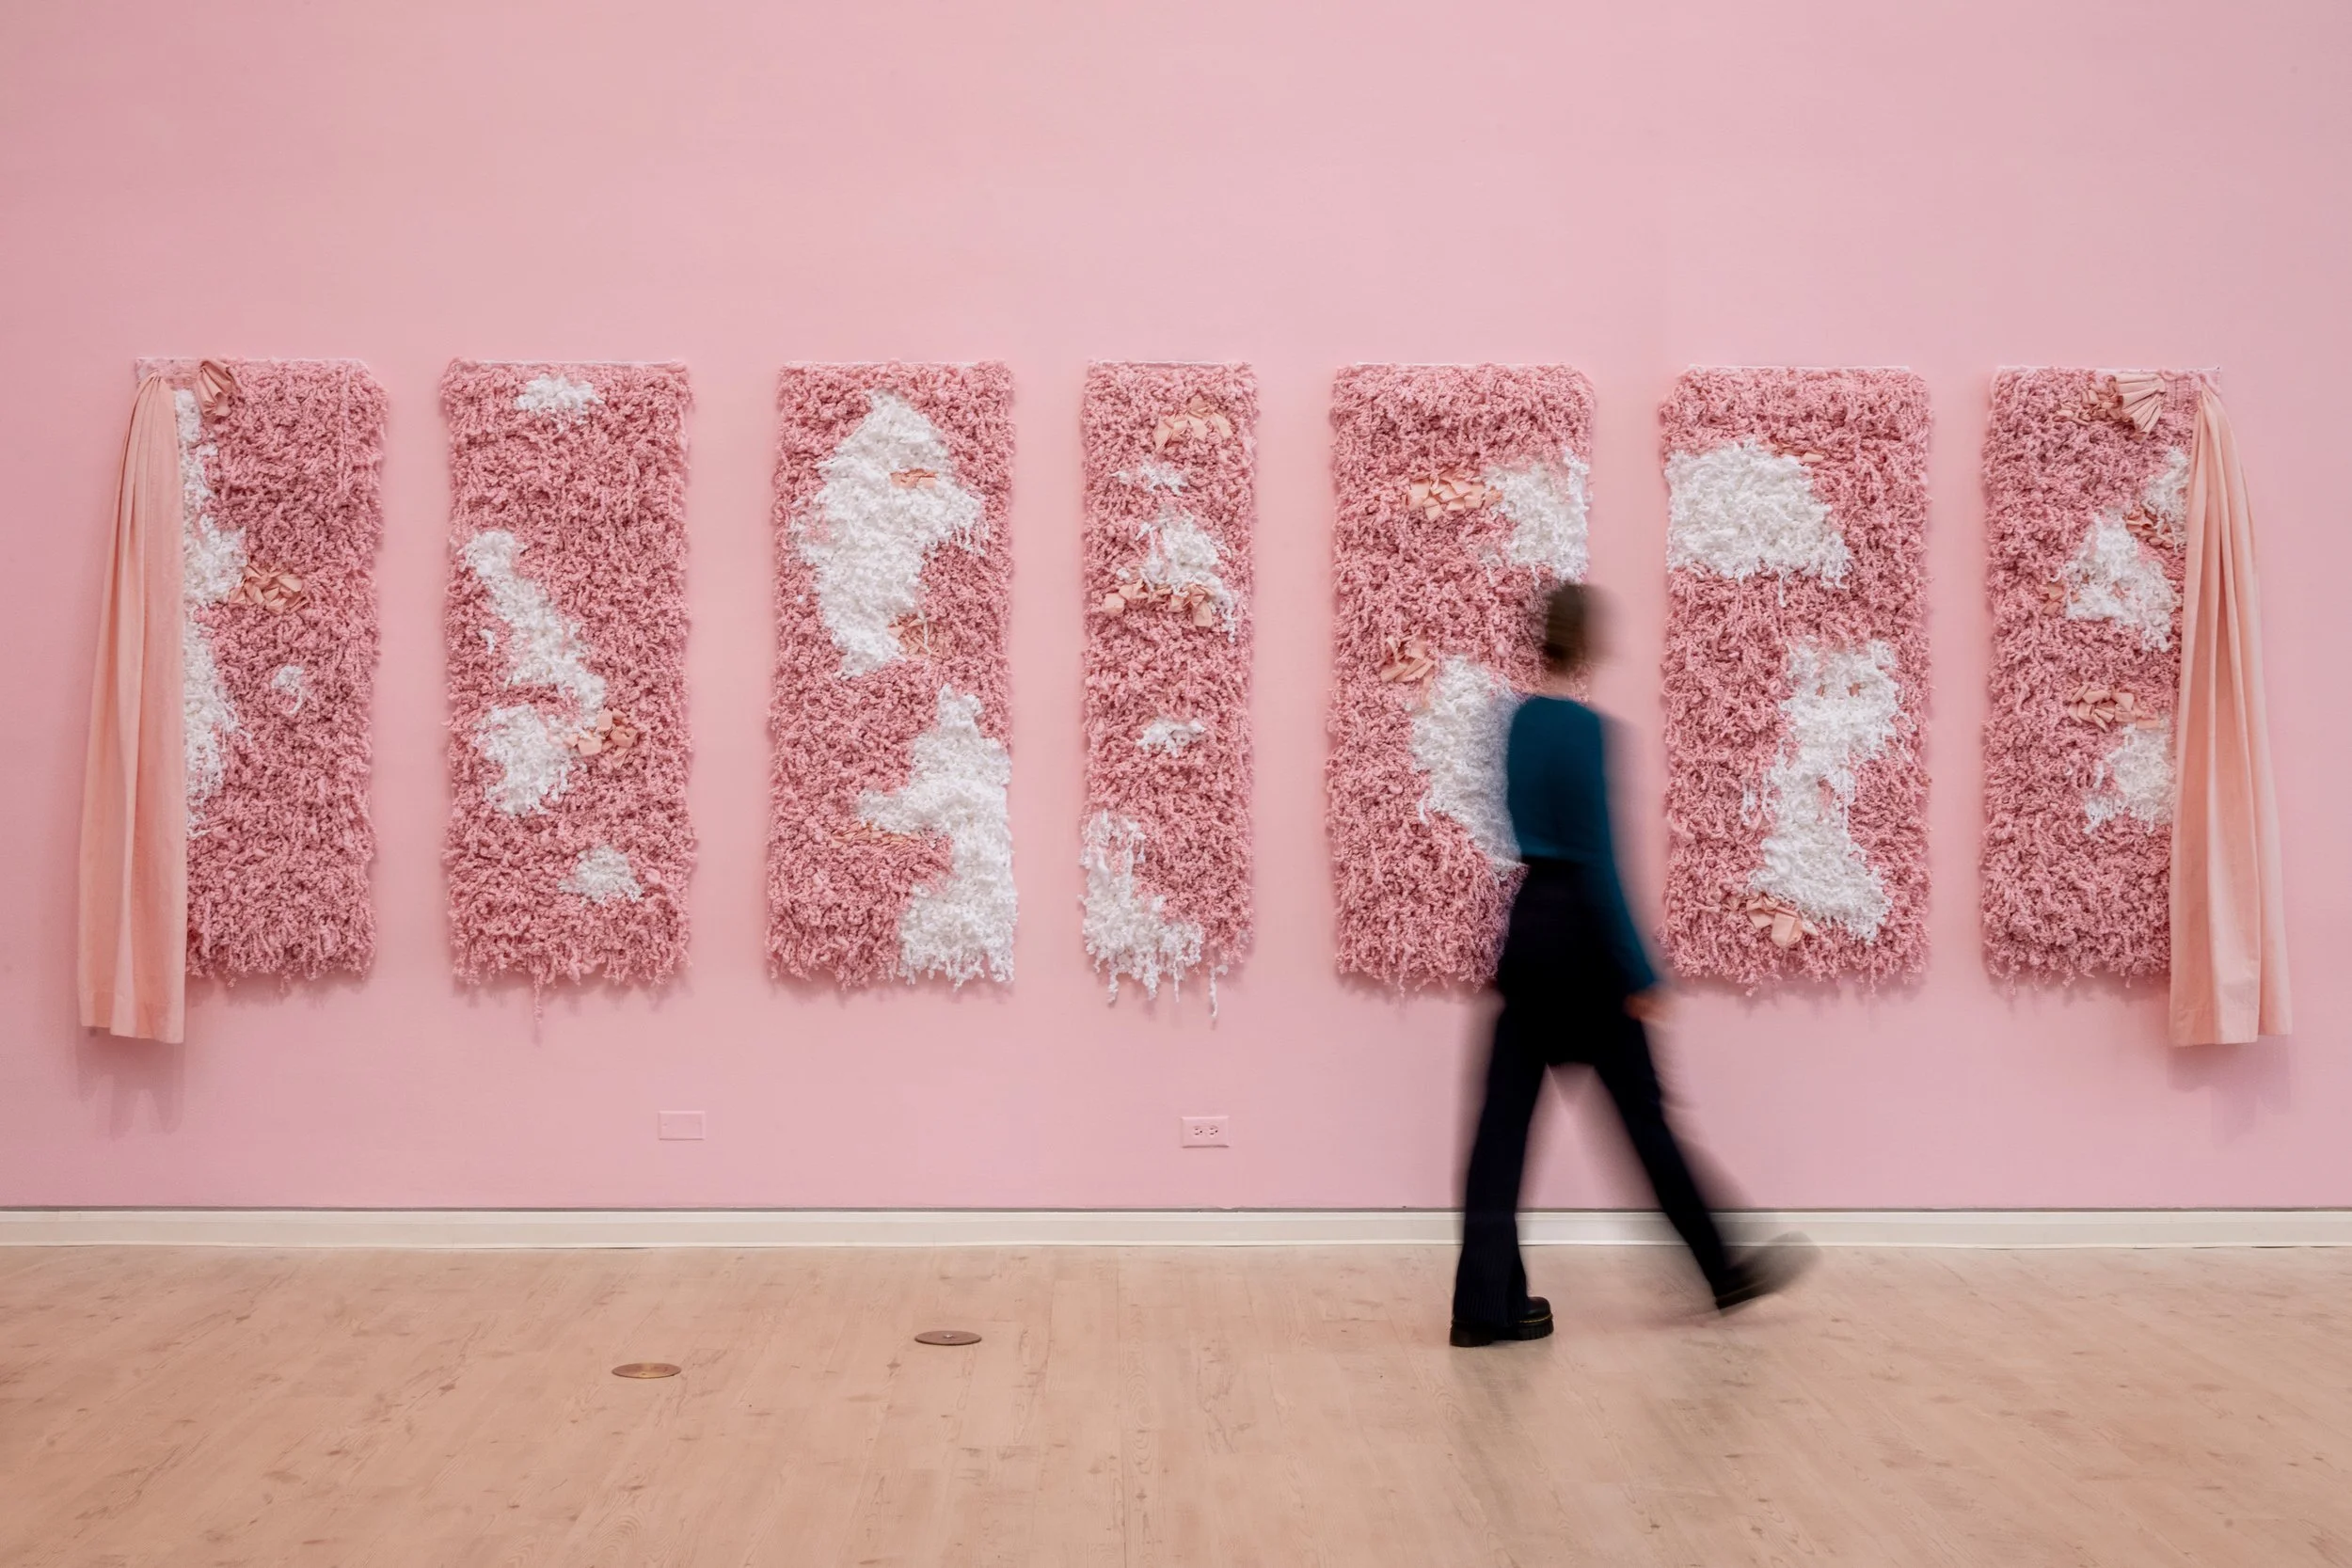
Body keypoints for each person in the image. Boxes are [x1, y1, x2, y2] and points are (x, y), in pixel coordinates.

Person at [1450, 583, 1805, 1346]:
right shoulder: (1589, 731)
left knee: (1499, 1135)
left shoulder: (1513, 724)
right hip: (1583, 941)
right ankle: (1724, 1267)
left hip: (1529, 930)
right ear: (1589, 644)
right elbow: (1600, 861)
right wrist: (1641, 971)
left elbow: (1522, 833)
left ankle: (1485, 1305)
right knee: (1645, 1121)